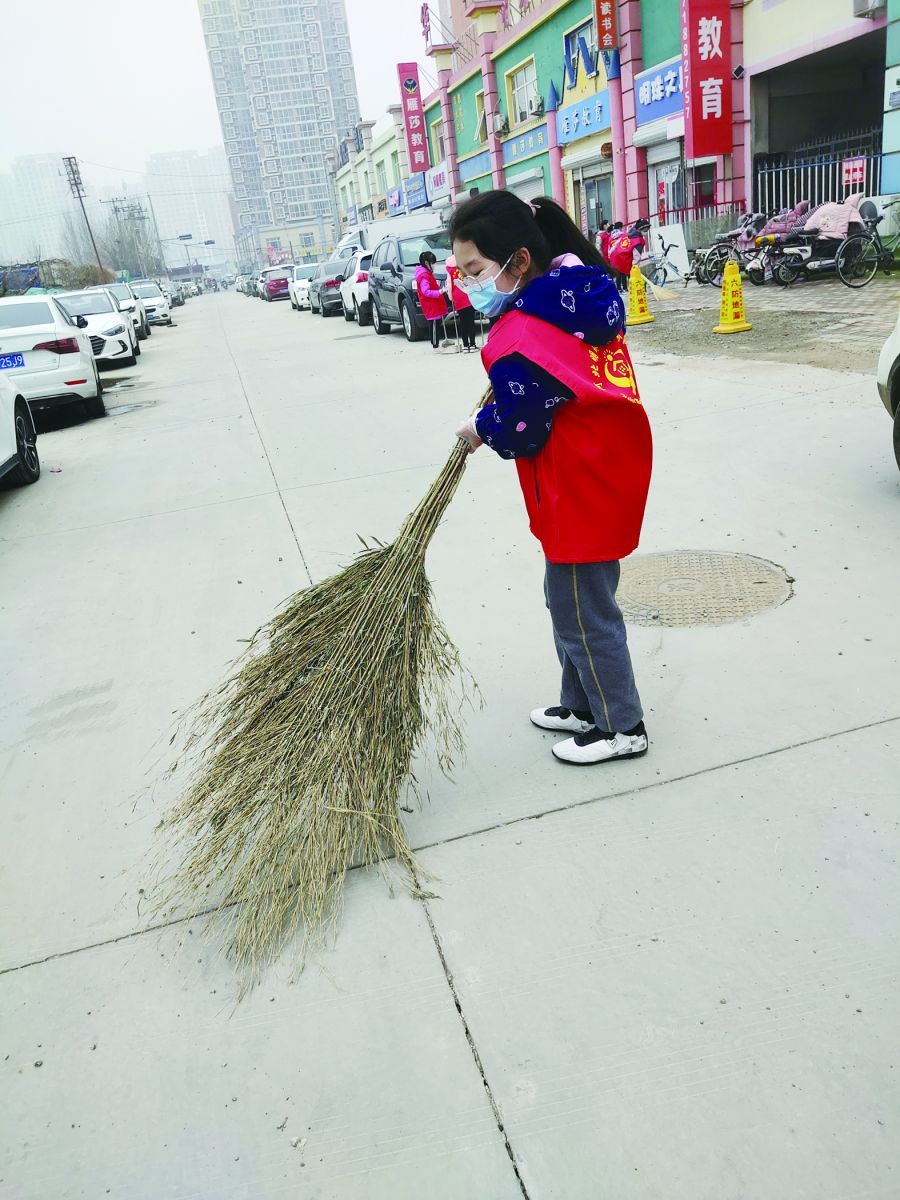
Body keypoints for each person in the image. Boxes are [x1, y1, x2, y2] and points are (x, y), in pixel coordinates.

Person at [450, 190, 653, 766]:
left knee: (585, 610)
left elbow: (521, 430)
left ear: (518, 261)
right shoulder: (575, 295)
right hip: (602, 474)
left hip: (577, 486)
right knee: (567, 599)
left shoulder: (521, 334)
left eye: (475, 271)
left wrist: (481, 428)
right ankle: (580, 703)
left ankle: (621, 725)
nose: (468, 285)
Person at [414, 251, 448, 350]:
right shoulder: (424, 276)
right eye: (433, 263)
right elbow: (426, 291)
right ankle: (435, 345)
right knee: (434, 325)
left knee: (437, 324)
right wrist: (439, 292)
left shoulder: (428, 273)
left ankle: (436, 344)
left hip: (434, 304)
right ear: (426, 263)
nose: (434, 265)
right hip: (430, 305)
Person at [607, 218, 651, 293]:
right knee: (632, 275)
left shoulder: (627, 234)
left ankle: (629, 290)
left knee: (623, 274)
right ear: (641, 229)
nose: (646, 232)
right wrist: (635, 266)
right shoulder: (639, 240)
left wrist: (610, 252)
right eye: (645, 231)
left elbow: (617, 243)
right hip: (624, 260)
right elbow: (636, 255)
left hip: (615, 257)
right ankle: (634, 292)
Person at [444, 253, 477, 351]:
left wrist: (450, 297)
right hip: (468, 295)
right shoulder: (465, 262)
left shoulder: (449, 267)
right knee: (471, 321)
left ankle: (465, 345)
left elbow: (449, 284)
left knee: (462, 322)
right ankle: (473, 344)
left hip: (457, 297)